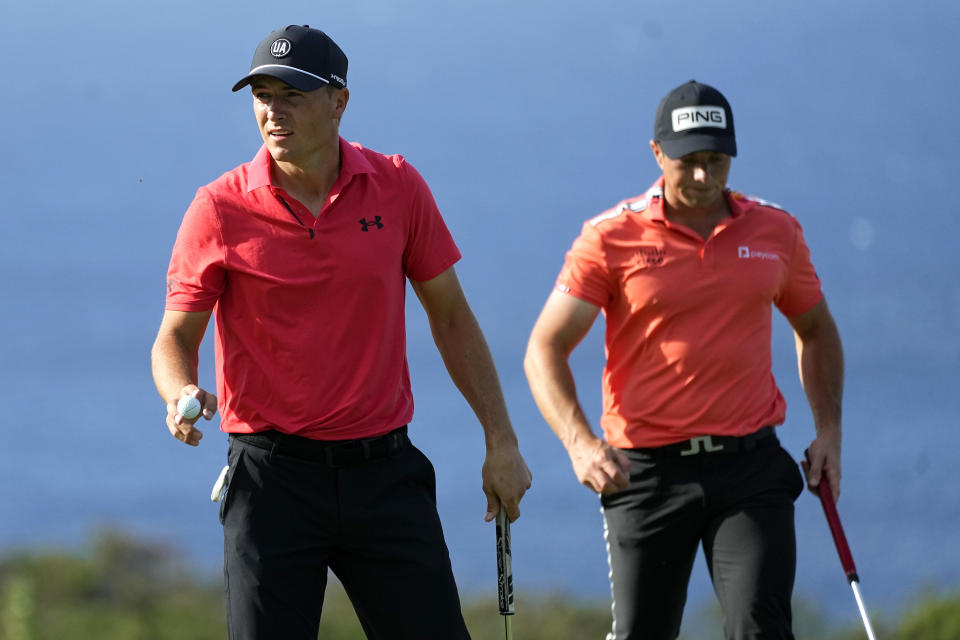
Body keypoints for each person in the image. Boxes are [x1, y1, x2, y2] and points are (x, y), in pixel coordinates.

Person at [150, 24, 531, 640]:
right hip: (271, 482)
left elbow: (452, 315)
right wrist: (178, 394)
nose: (273, 112)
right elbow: (174, 339)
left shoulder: (398, 185)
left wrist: (501, 441)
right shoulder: (218, 208)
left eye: (292, 95)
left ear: (339, 101)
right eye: (262, 95)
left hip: (384, 473)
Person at [524, 80, 843, 639]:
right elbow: (544, 348)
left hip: (749, 467)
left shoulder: (776, 231)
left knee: (761, 629)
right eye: (688, 161)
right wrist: (579, 444)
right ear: (657, 153)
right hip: (646, 474)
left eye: (716, 161)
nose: (703, 177)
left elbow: (815, 330)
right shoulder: (610, 237)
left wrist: (829, 431)